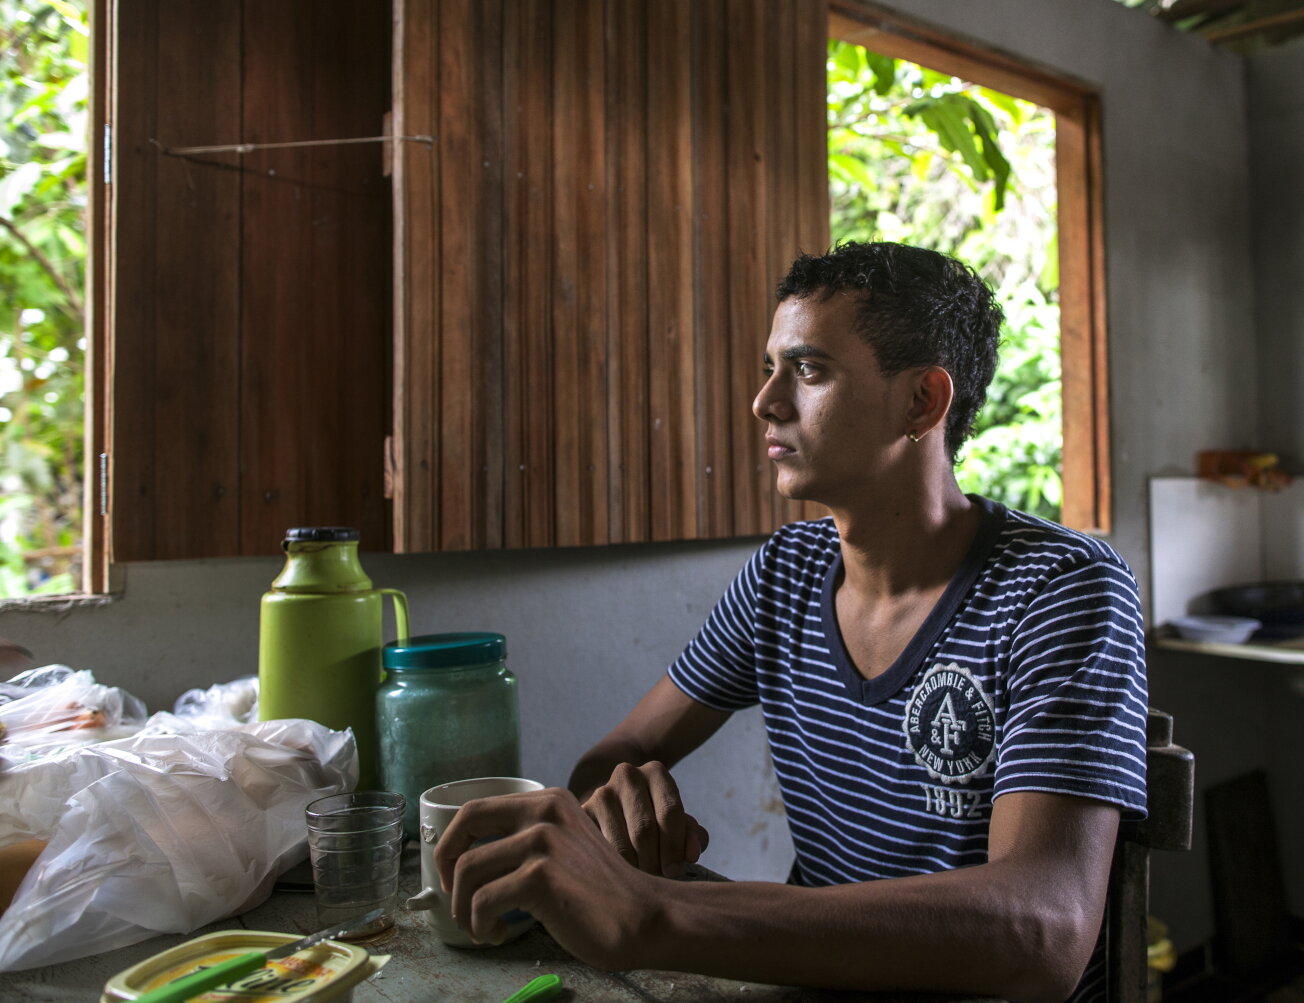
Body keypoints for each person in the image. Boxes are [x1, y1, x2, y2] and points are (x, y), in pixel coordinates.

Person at [435, 241, 1147, 1003]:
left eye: (808, 370)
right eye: (770, 367)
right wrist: (619, 798)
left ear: (921, 403)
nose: (765, 401)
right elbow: (625, 748)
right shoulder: (787, 572)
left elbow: (1044, 930)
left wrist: (653, 910)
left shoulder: (1059, 588)